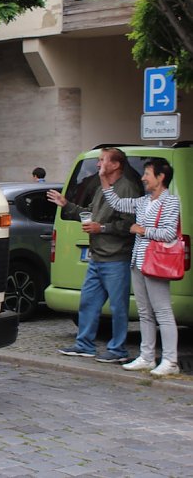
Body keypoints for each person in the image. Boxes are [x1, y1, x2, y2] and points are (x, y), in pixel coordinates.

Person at [47, 147, 139, 363]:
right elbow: (89, 213)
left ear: (115, 165)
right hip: (97, 257)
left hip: (116, 257)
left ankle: (118, 350)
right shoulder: (101, 188)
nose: (98, 164)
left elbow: (128, 224)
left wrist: (101, 228)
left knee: (118, 307)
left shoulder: (127, 188)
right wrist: (66, 205)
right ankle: (84, 345)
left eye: (102, 160)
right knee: (88, 302)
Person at [100, 159, 181, 376]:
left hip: (157, 263)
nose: (143, 178)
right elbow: (117, 203)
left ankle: (170, 361)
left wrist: (142, 230)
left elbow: (169, 233)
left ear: (160, 177)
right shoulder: (144, 201)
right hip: (138, 261)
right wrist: (104, 178)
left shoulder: (171, 201)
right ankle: (147, 357)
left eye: (147, 174)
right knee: (144, 312)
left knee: (162, 311)